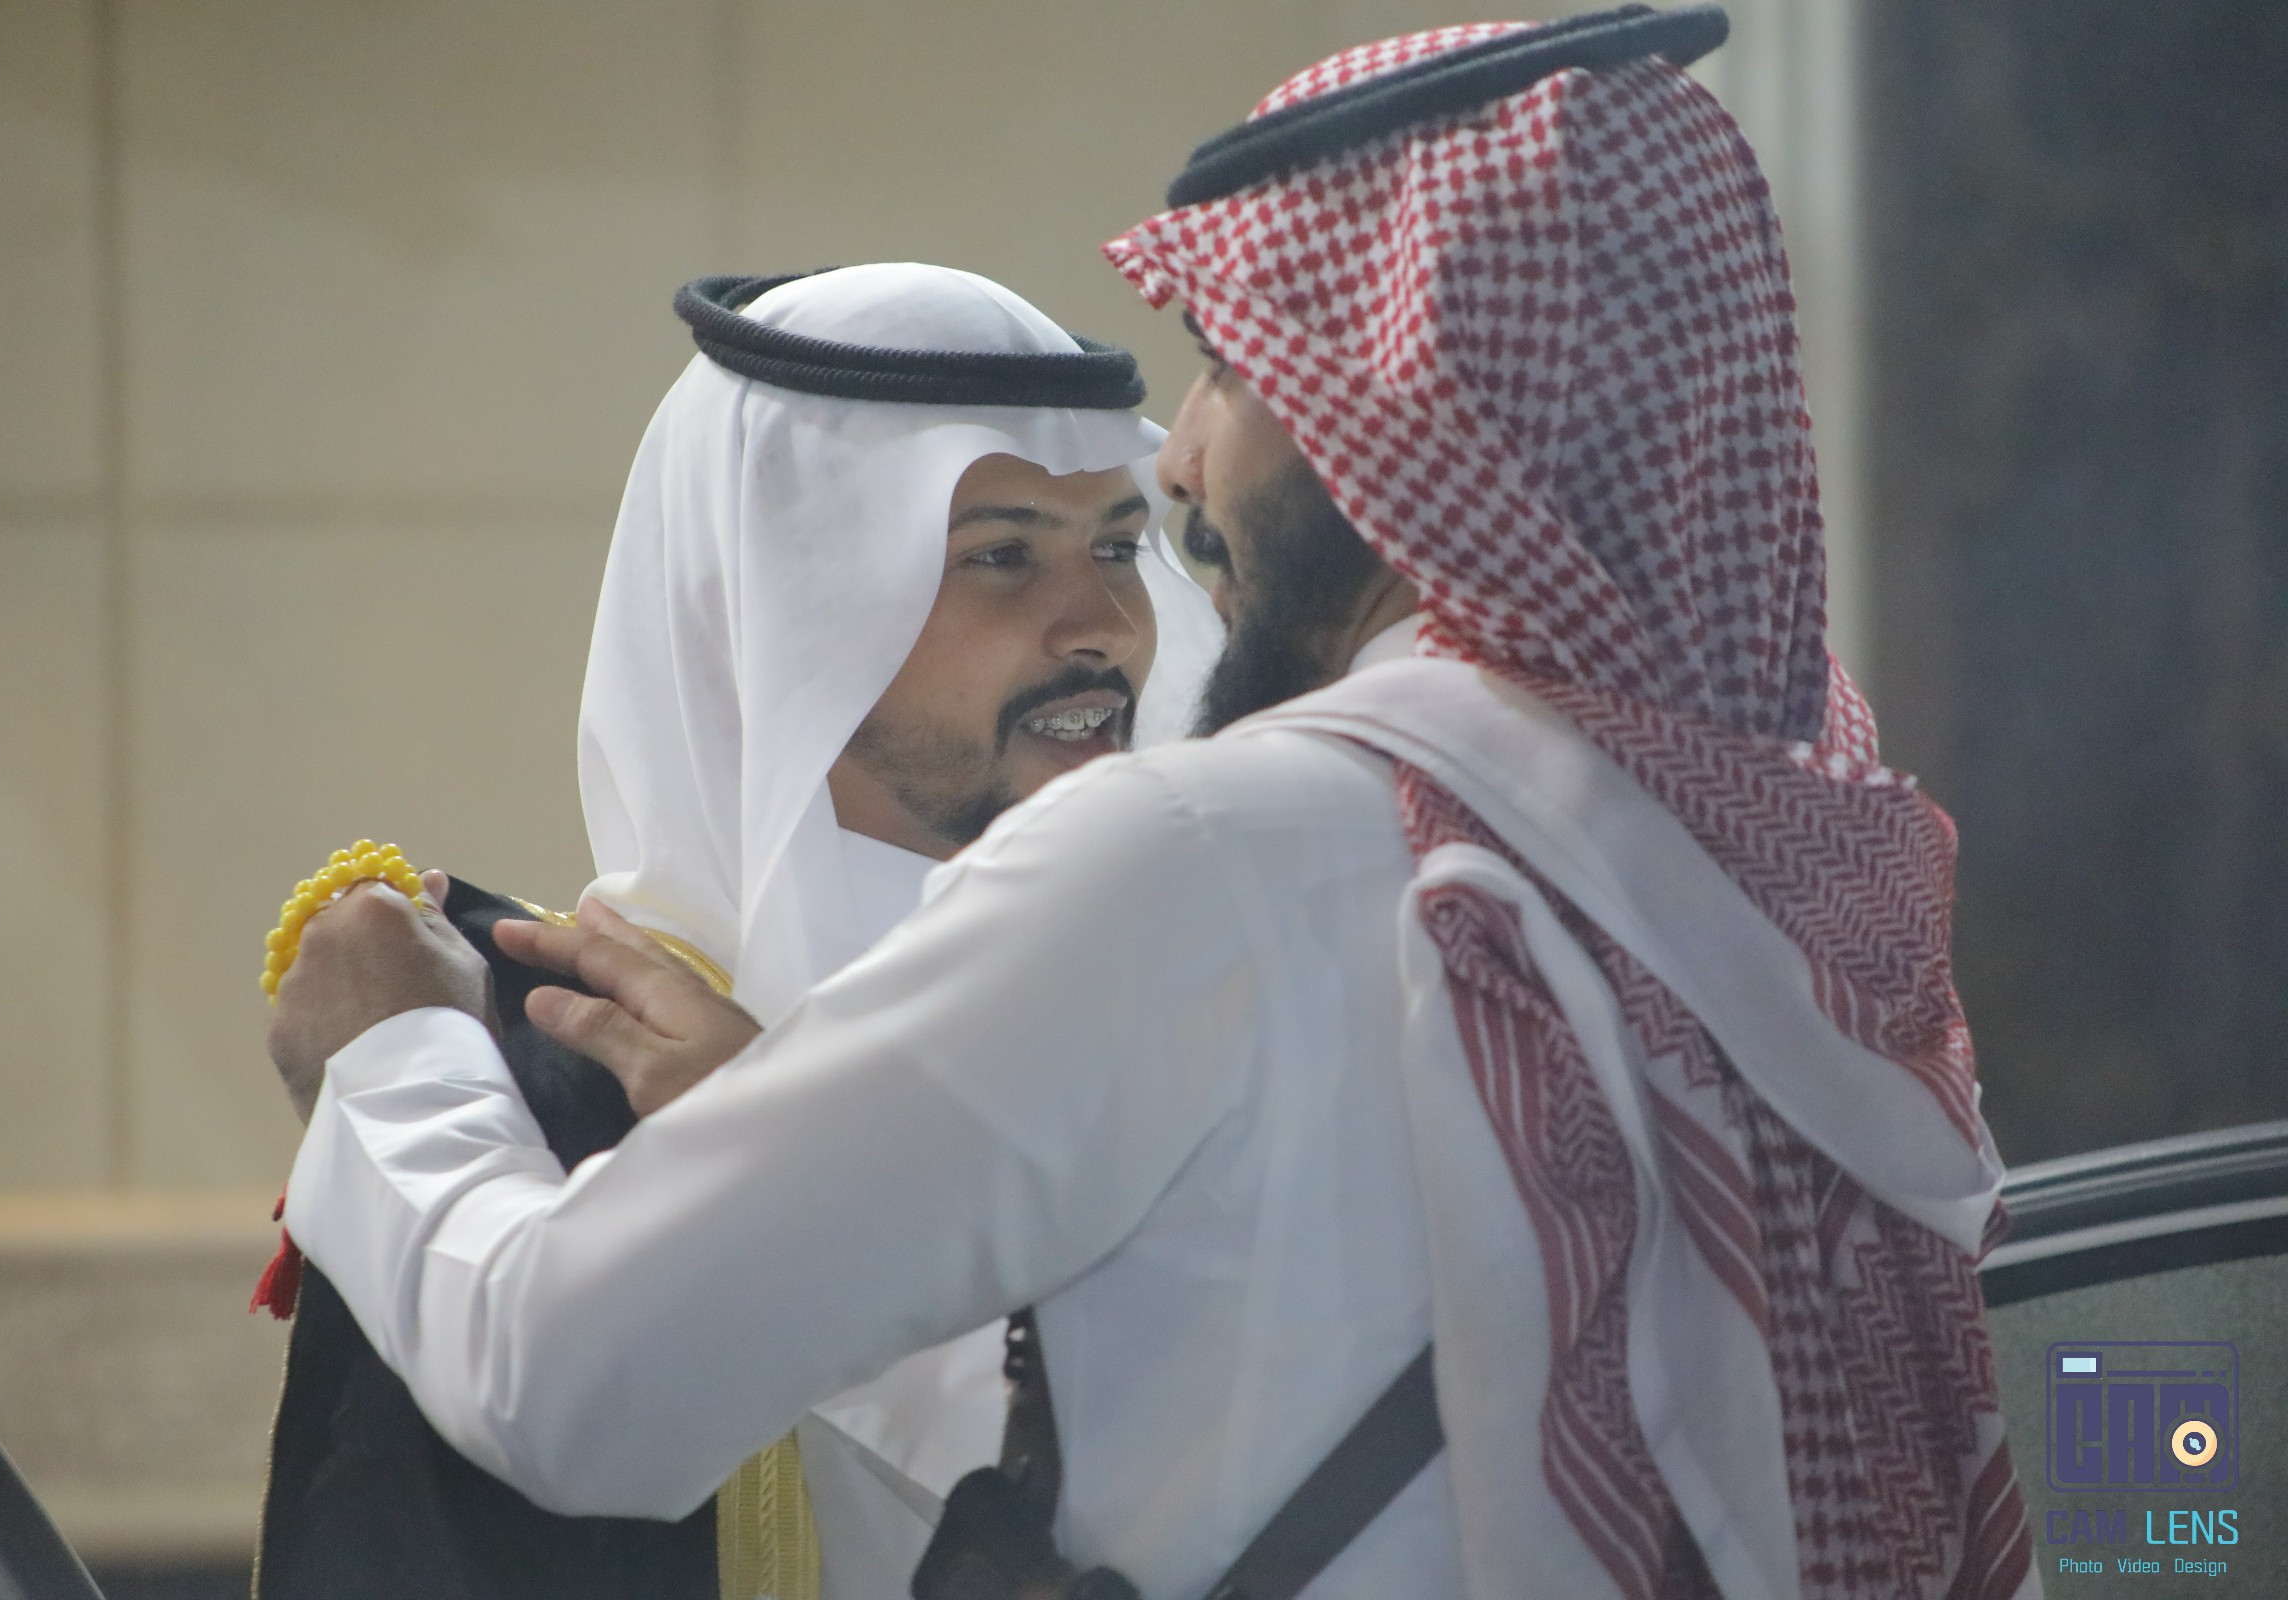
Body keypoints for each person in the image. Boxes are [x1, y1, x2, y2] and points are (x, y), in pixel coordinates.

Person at [271, 11, 2041, 1598]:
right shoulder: (1778, 851)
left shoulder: (1207, 859)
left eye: (1231, 370)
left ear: (1388, 407)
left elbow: (573, 1388)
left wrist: (395, 1060)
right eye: (999, 550)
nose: (1183, 460)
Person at [254, 261, 1220, 1600]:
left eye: (1116, 546)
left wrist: (776, 1144)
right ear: (787, 602)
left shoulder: (1186, 996)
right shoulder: (554, 1084)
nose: (1105, 626)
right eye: (1001, 556)